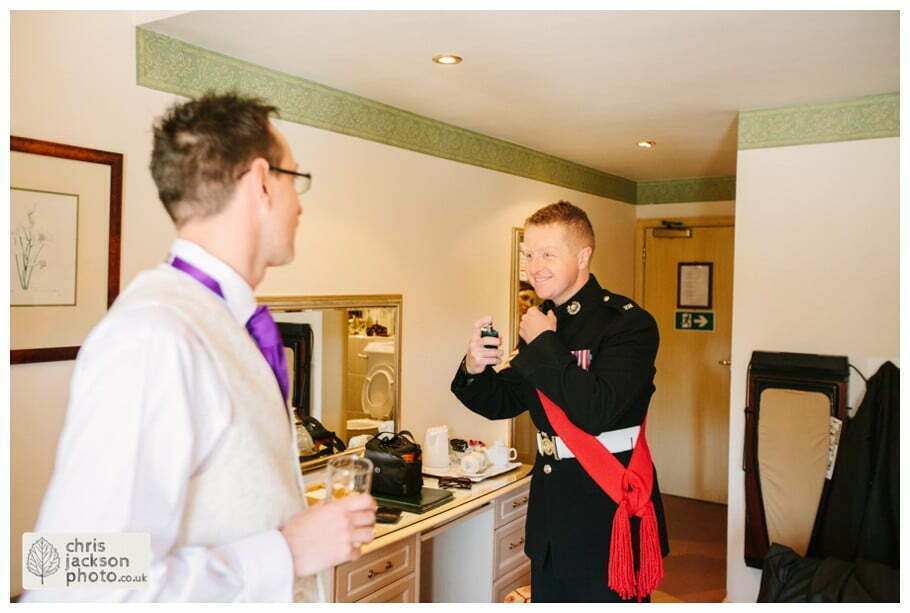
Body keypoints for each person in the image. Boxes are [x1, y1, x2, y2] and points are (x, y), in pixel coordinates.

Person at [23, 93, 376, 602]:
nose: (300, 204)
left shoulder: (225, 323)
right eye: (295, 180)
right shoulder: (154, 337)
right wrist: (288, 553)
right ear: (260, 182)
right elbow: (71, 577)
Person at [450, 201, 669, 603]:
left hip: (606, 513)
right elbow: (504, 400)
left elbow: (596, 412)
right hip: (551, 516)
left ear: (583, 256)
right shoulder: (544, 322)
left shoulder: (627, 323)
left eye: (547, 253)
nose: (534, 267)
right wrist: (474, 367)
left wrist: (545, 343)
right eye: (529, 254)